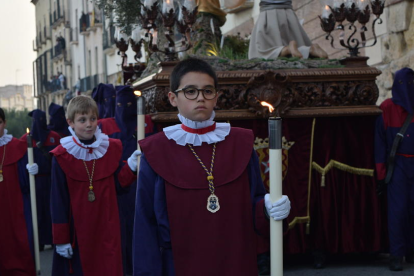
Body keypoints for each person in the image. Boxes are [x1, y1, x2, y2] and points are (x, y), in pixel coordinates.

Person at [133, 58, 291, 275]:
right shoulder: (155, 150)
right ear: (172, 98)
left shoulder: (241, 142)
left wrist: (268, 208)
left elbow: (254, 201)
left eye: (208, 91)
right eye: (190, 91)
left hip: (235, 259)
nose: (200, 97)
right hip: (180, 263)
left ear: (216, 97)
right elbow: (145, 223)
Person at [49, 95, 140, 275]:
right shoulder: (62, 155)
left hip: (108, 225)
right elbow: (58, 199)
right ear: (71, 122)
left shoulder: (110, 148)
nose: (89, 124)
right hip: (78, 229)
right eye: (82, 120)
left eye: (93, 118)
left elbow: (118, 186)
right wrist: (61, 239)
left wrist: (131, 166)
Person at [99, 85, 154, 275]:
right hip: (120, 187)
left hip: (144, 184)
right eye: (120, 105)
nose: (125, 109)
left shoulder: (147, 123)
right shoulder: (105, 126)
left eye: (129, 105)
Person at [375, 67, 414, 271]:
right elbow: (380, 144)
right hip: (397, 166)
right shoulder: (387, 108)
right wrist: (381, 172)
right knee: (397, 212)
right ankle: (397, 255)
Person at [0, 107, 39, 275]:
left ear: (5, 123)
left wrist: (30, 171)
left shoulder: (17, 146)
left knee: (19, 242)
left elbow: (26, 184)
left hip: (15, 206)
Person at [20, 109, 61, 252]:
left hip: (50, 181)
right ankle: (38, 241)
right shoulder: (26, 138)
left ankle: (54, 239)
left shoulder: (54, 137)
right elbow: (21, 158)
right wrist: (27, 167)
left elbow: (59, 158)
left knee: (51, 209)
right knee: (36, 212)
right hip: (34, 182)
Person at [249, 0, 328, 59]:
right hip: (289, 14)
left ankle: (287, 49)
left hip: (269, 14)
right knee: (295, 51)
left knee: (259, 52)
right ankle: (310, 49)